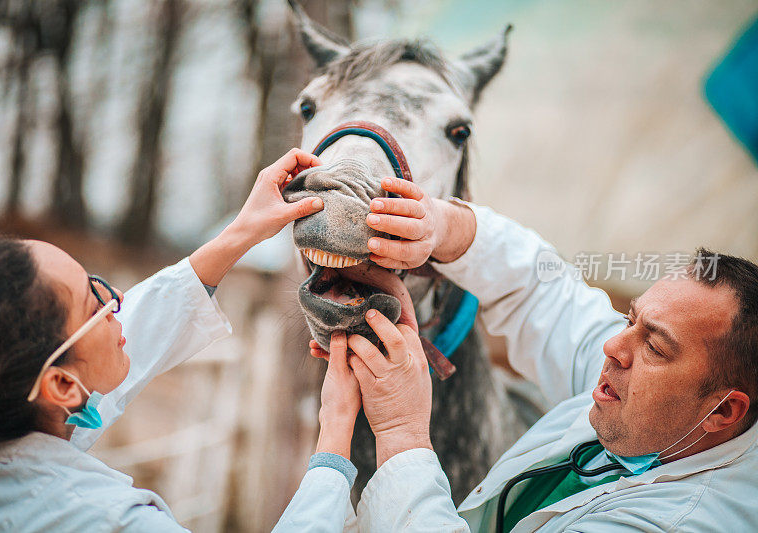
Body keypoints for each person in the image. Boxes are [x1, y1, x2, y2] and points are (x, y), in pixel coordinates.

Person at [313, 177, 758, 532]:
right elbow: (541, 292)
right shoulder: (662, 409)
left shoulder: (685, 523)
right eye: (629, 320)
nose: (612, 348)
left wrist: (400, 430)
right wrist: (441, 226)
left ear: (724, 410)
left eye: (656, 347)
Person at [0, 149, 363, 532]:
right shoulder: (112, 521)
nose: (115, 298)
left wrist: (241, 233)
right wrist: (335, 434)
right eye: (91, 302)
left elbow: (137, 325)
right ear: (62, 386)